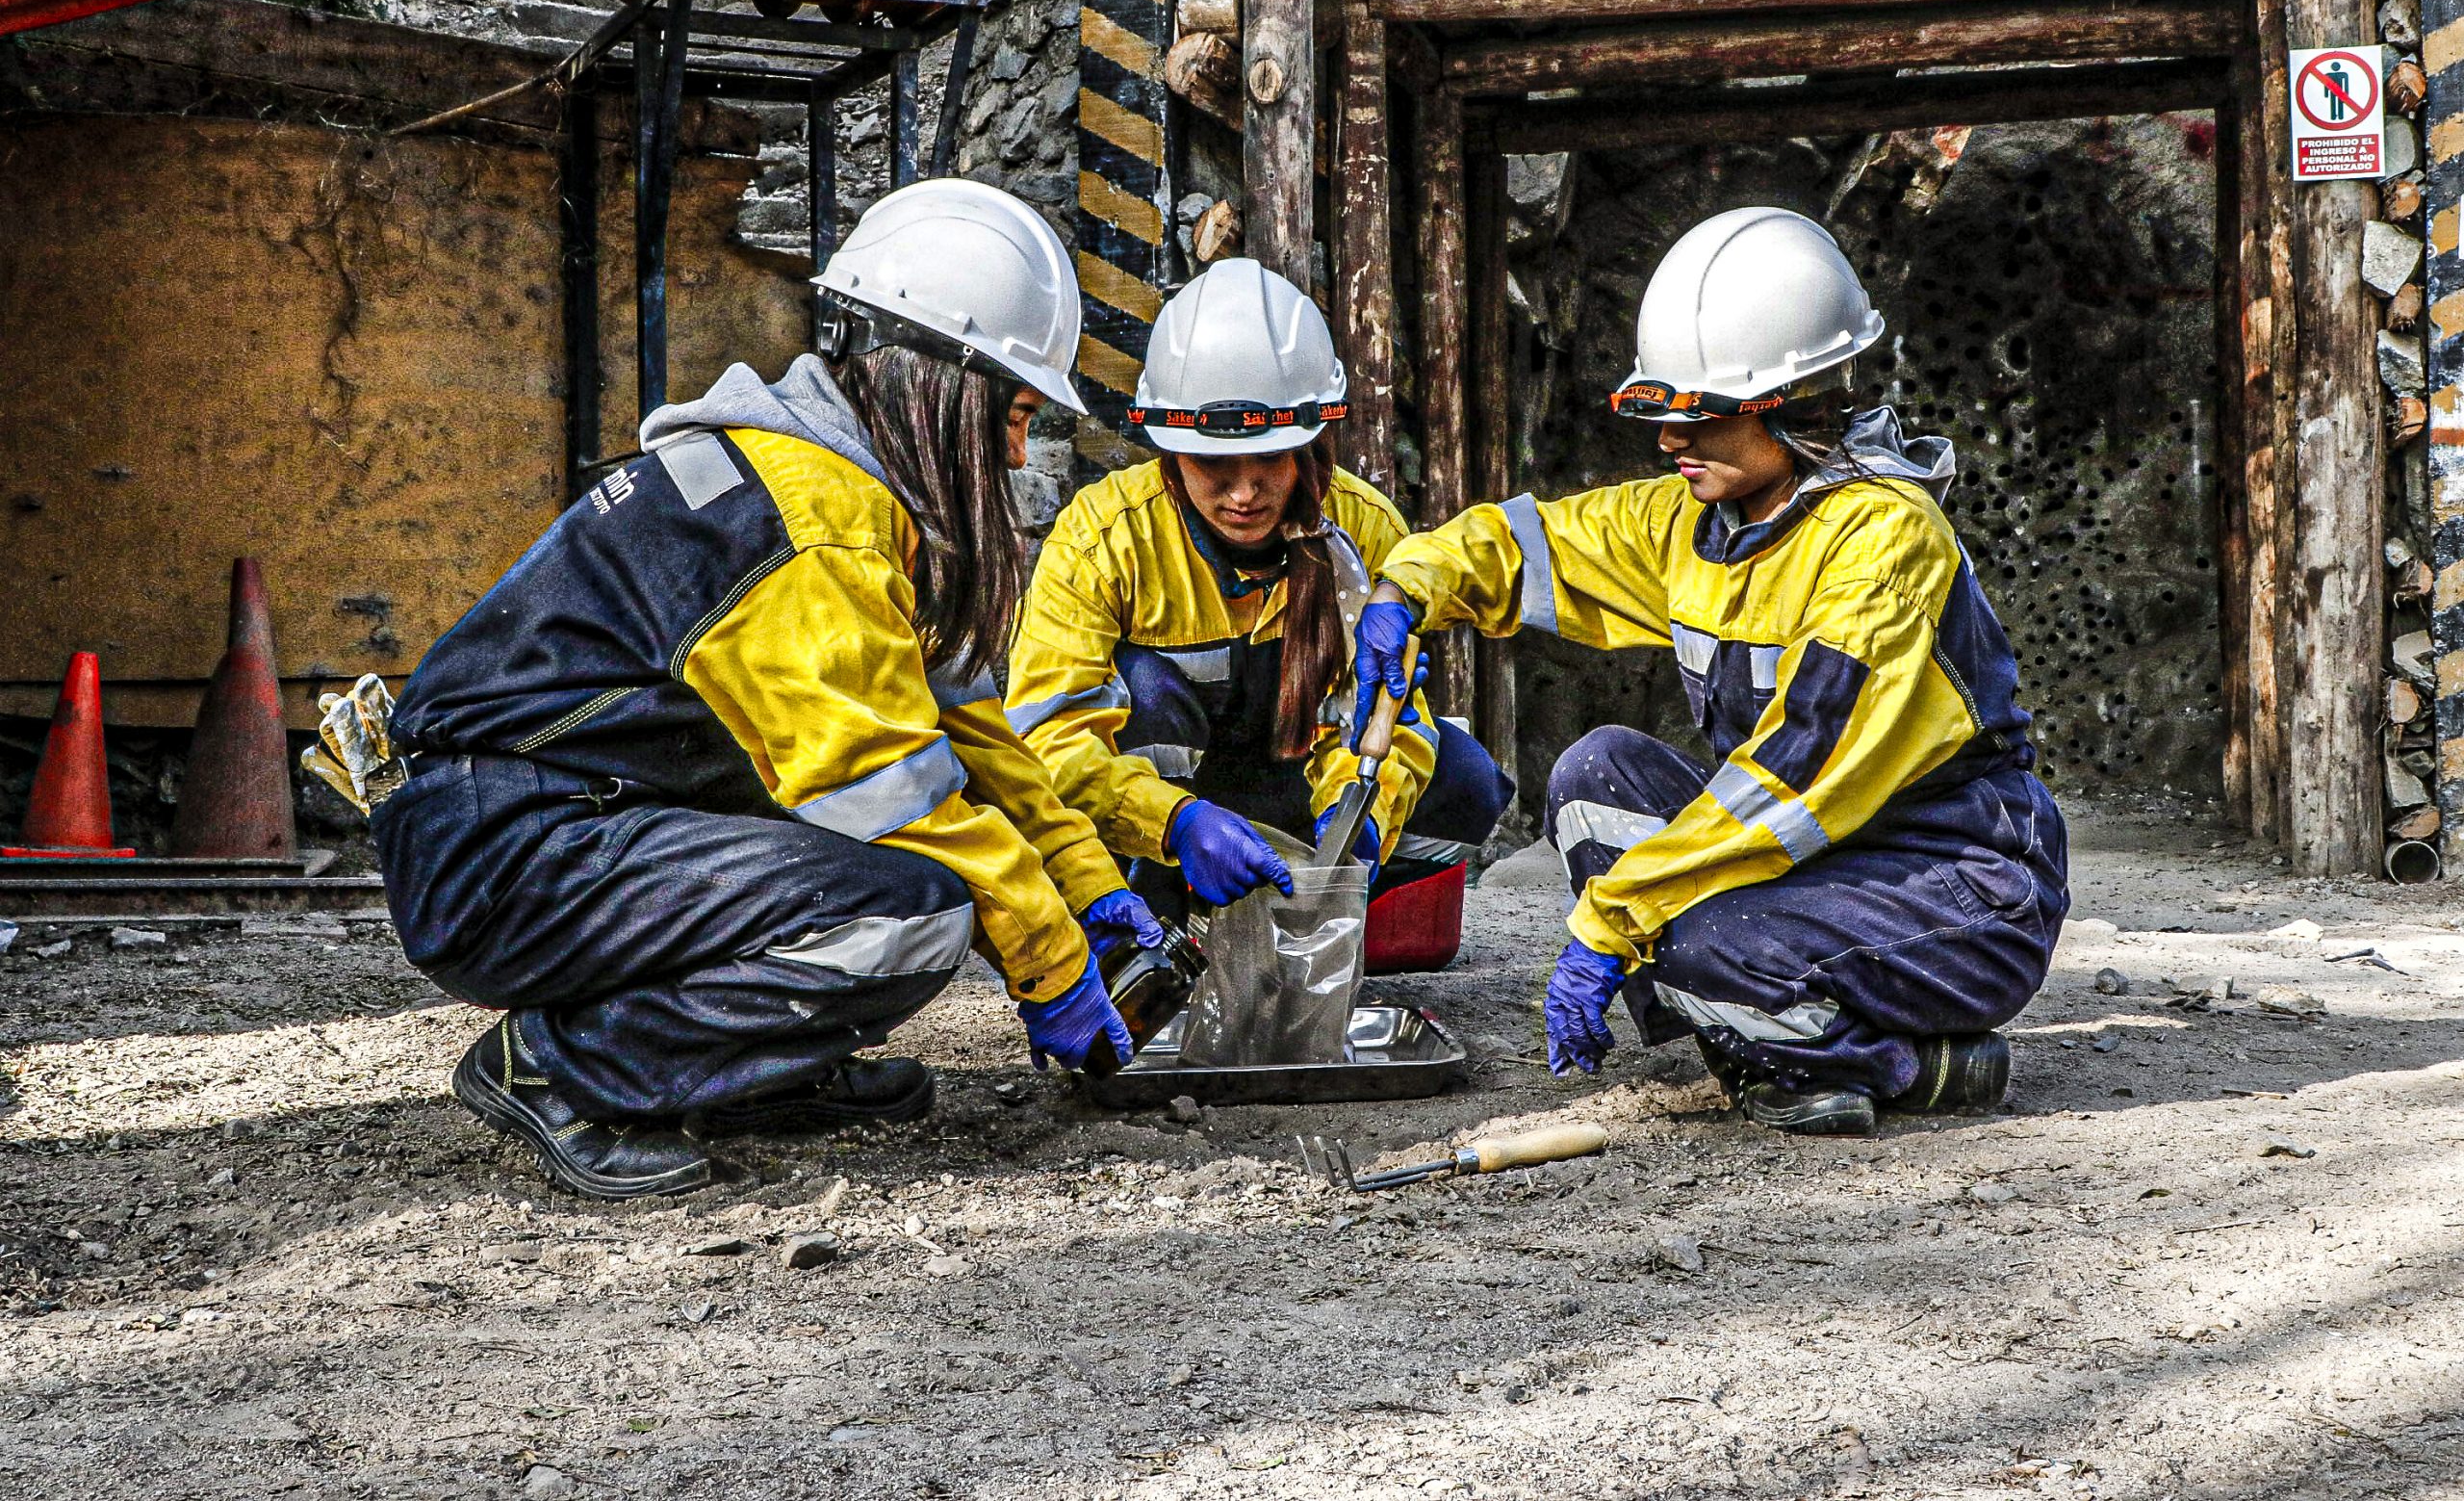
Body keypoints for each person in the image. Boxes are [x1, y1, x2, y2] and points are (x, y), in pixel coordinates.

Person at [372, 179, 1164, 1198]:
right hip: (503, 855)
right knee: (908, 911)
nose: (1015, 453)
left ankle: (742, 1075)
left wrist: (1090, 888)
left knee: (900, 885)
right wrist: (1050, 962)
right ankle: (566, 1069)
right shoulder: (808, 526)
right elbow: (891, 793)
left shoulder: (842, 498)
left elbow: (969, 731)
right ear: (940, 384)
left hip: (564, 824)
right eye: (1011, 416)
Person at [1353, 207, 2068, 1136]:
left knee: (1688, 934)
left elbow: (1794, 780)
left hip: (1959, 885)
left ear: (1791, 401)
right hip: (1814, 864)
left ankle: (1905, 1065)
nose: (1668, 441)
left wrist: (1615, 918)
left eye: (1699, 417)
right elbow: (1534, 547)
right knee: (1593, 775)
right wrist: (1407, 591)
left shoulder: (1886, 544)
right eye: (1665, 413)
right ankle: (1763, 1033)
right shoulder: (1697, 520)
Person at [1006, 257, 1511, 920]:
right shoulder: (1102, 540)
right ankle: (1154, 917)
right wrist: (1174, 823)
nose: (1244, 493)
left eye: (1271, 458)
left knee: (1464, 778)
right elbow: (1048, 742)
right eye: (1214, 464)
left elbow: (1389, 714)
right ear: (1168, 447)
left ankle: (1321, 909)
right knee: (1144, 689)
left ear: (1309, 443)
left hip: (1297, 800)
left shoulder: (1364, 527)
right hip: (1170, 825)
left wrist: (1360, 818)